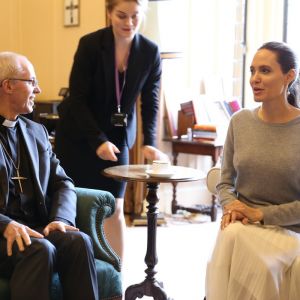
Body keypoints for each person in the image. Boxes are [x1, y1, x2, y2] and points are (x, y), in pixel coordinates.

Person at [55, 0, 167, 261]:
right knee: (76, 205)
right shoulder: (90, 45)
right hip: (79, 137)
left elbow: (150, 101)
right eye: (121, 16)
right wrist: (98, 141)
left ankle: (115, 276)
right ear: (109, 14)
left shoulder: (150, 52)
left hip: (118, 138)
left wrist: (149, 141)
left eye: (135, 16)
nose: (129, 23)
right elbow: (77, 100)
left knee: (115, 208)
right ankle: (78, 267)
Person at [205, 41, 300, 300]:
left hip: (290, 231)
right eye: (252, 71)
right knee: (232, 233)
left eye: (265, 71)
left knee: (260, 263)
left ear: (289, 76)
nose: (255, 79)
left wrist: (260, 213)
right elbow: (224, 183)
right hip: (244, 225)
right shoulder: (240, 121)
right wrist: (232, 207)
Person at [0, 52, 98, 300]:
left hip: (36, 226)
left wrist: (60, 218)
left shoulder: (36, 132)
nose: (38, 89)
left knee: (78, 242)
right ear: (8, 85)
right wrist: (6, 225)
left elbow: (63, 182)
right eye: (31, 81)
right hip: (3, 232)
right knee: (38, 250)